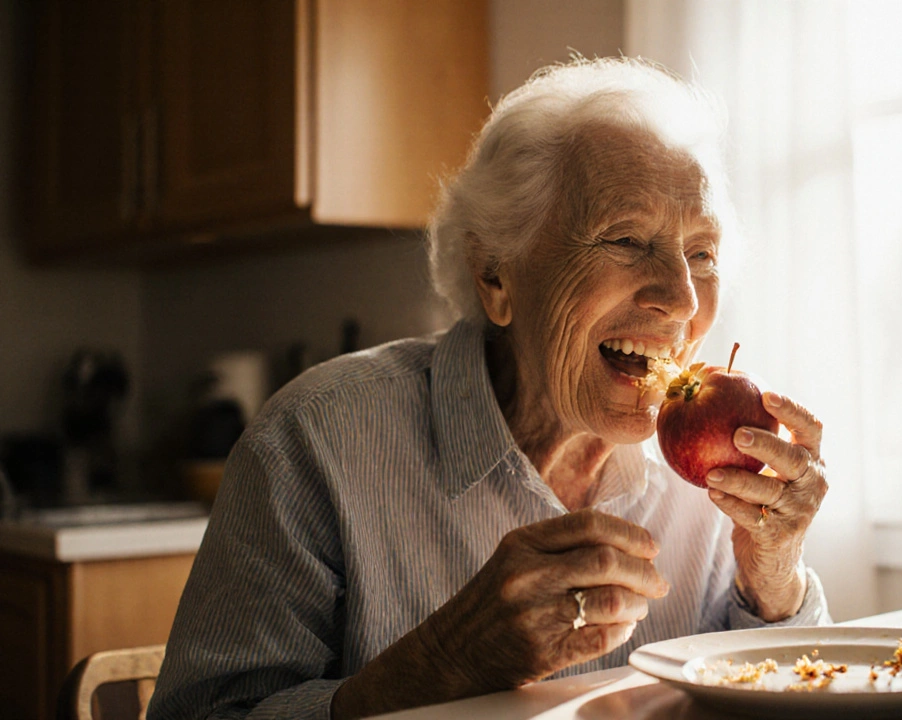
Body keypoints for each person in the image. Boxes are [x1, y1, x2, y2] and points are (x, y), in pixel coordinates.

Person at [149, 57, 831, 720]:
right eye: (626, 239)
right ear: (495, 276)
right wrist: (439, 666)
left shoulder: (718, 472)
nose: (682, 299)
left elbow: (778, 694)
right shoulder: (313, 441)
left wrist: (774, 582)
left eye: (702, 254)